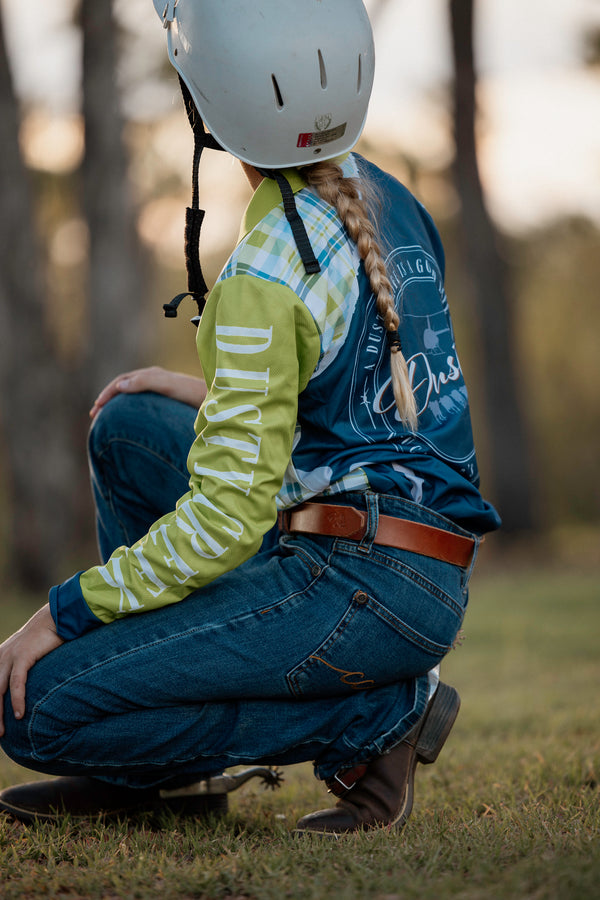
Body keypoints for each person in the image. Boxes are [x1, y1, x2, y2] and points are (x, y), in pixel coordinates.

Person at [0, 0, 500, 834]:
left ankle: (379, 719)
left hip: (355, 581)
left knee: (32, 712)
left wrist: (63, 612)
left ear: (208, 102)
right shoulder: (389, 198)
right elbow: (374, 394)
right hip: (427, 566)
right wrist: (217, 391)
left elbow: (226, 518)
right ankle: (155, 772)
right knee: (130, 426)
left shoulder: (264, 272)